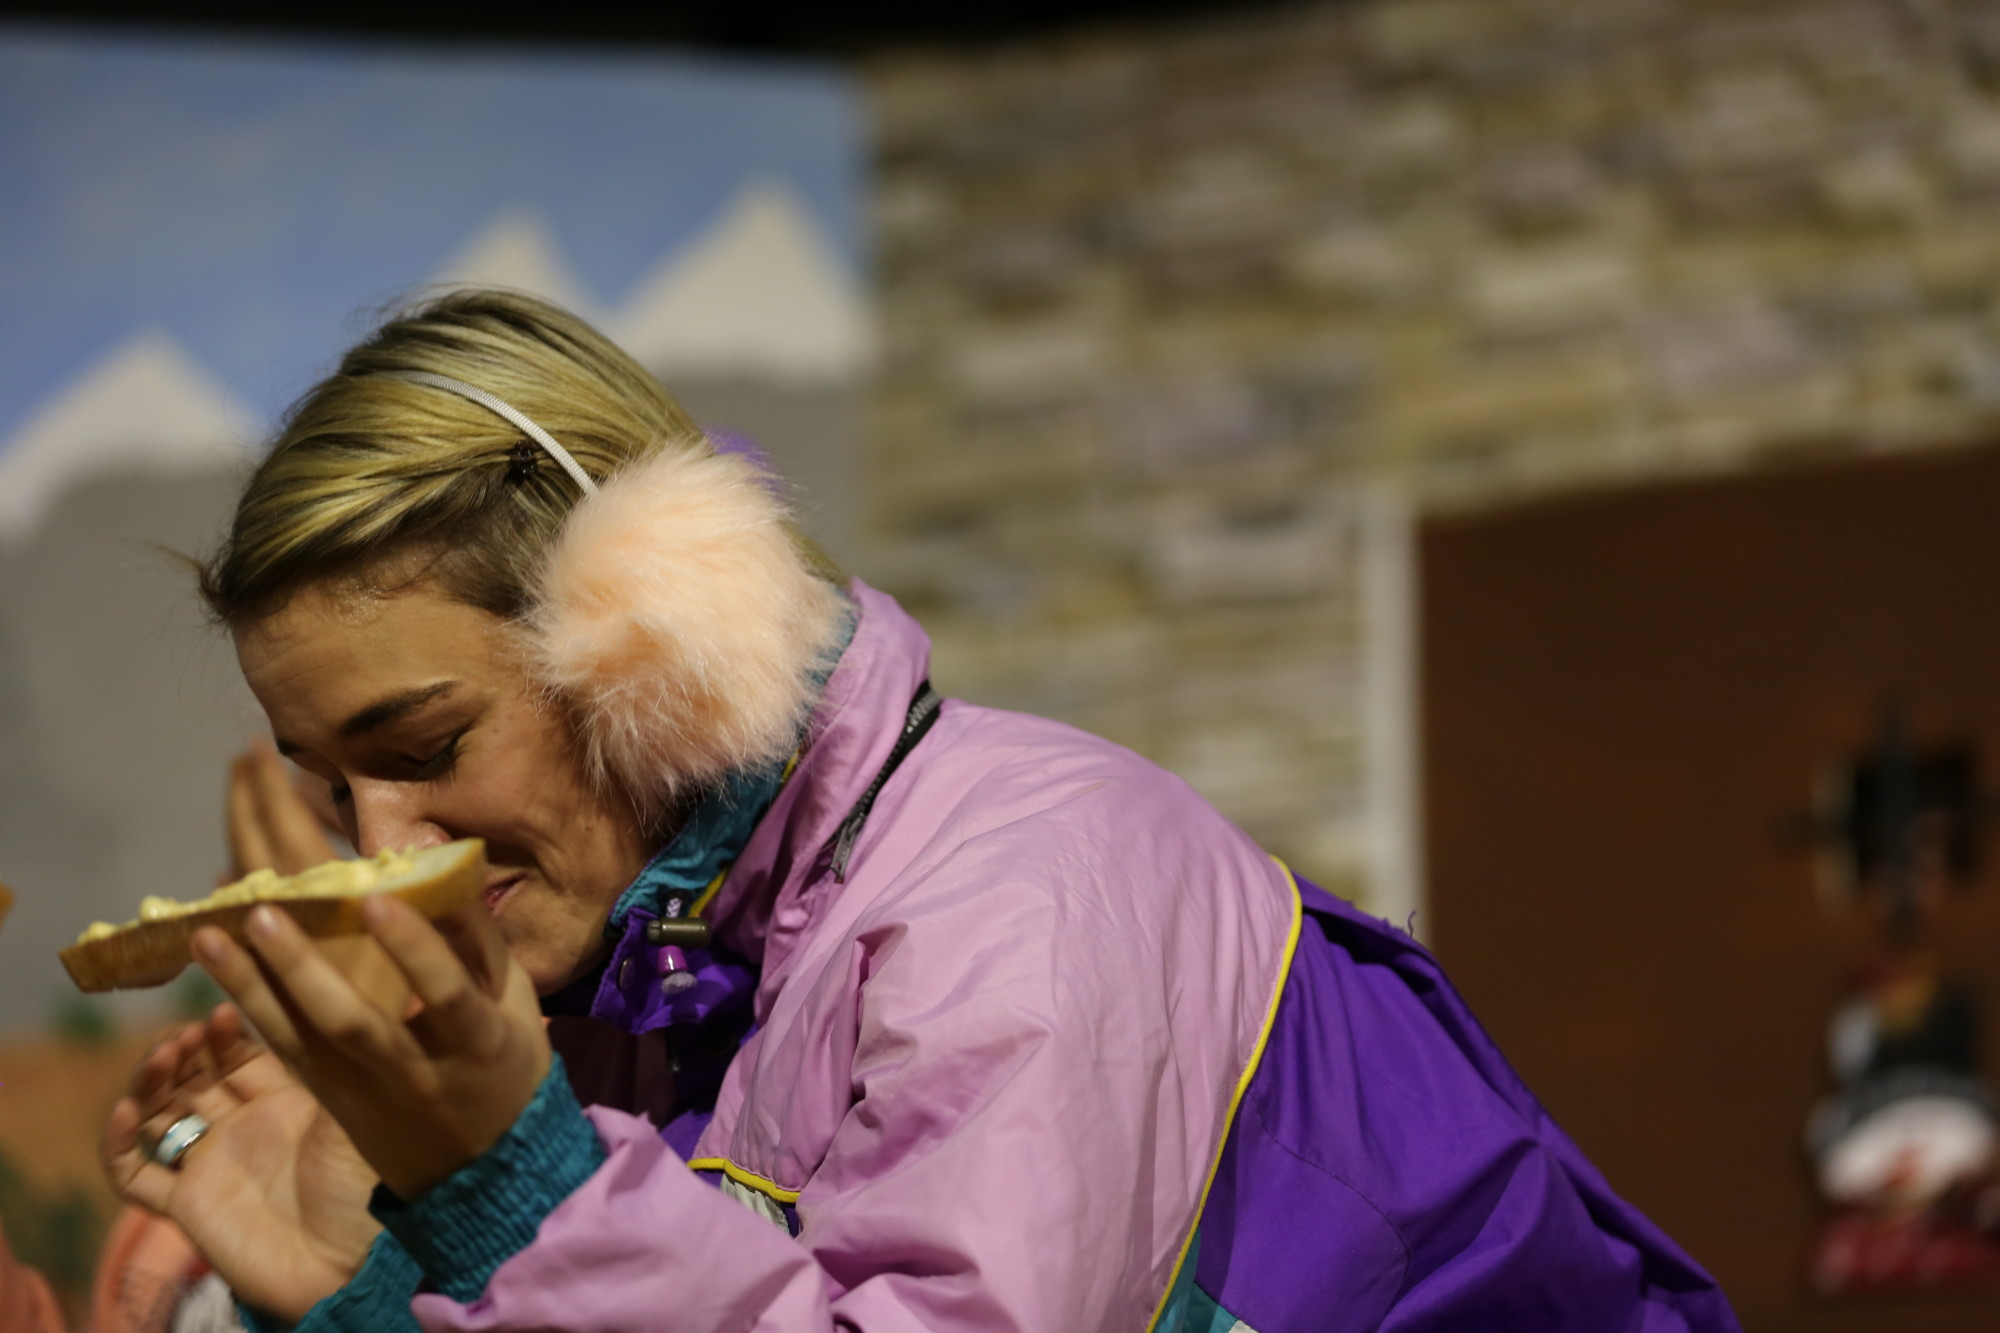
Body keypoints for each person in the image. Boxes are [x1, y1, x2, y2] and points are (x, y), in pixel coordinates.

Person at [101, 290, 1741, 1332]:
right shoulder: (624, 996)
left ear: (644, 634)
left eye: (425, 743)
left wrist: (511, 1181)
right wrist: (366, 1264)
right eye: (330, 783)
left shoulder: (1027, 896)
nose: (382, 843)